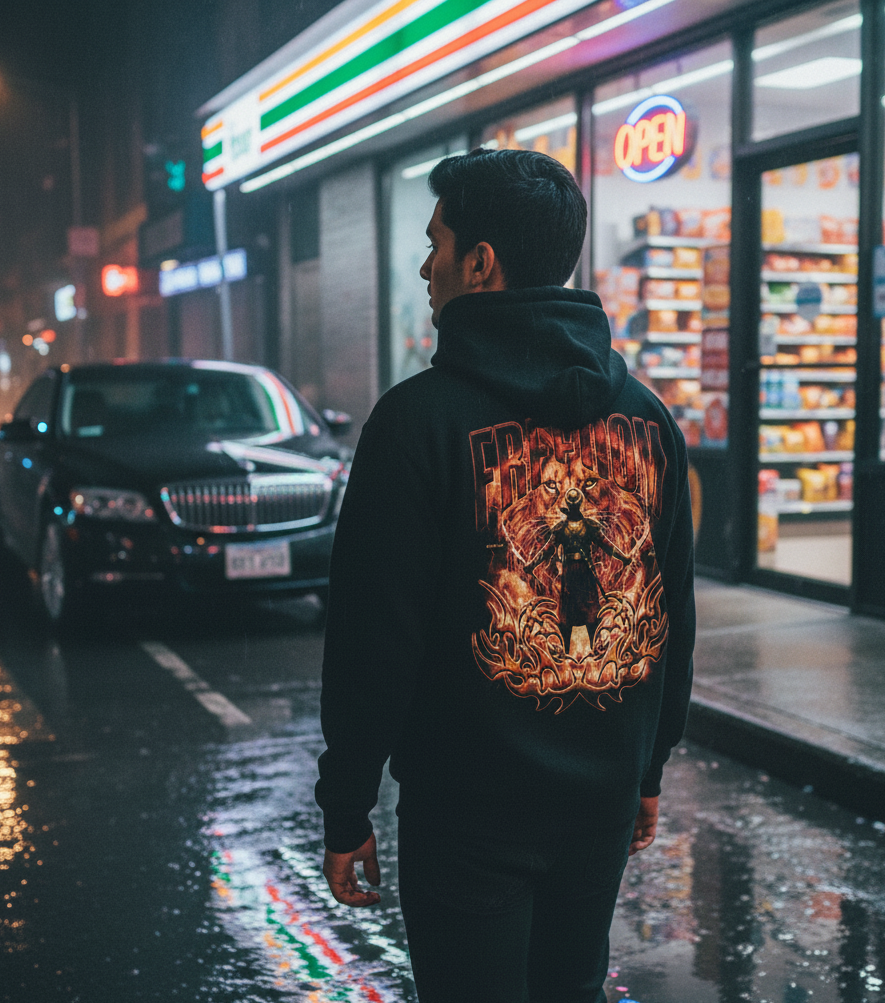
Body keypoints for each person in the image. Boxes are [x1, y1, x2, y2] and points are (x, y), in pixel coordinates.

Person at [316, 148, 695, 1003]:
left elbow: (375, 639)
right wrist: (646, 768)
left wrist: (346, 806)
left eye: (435, 243)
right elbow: (673, 610)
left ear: (479, 262)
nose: (425, 266)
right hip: (598, 799)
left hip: (467, 813)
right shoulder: (647, 421)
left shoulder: (415, 423)